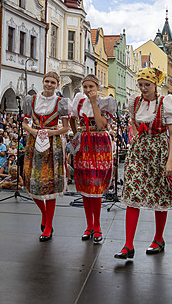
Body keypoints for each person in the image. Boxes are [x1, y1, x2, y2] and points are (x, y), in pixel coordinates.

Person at [114, 67, 172, 259]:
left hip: (158, 150)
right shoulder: (135, 101)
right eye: (141, 84)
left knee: (159, 194)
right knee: (132, 193)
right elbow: (133, 122)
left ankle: (158, 238)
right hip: (139, 150)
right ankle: (128, 245)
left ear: (155, 85)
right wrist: (135, 133)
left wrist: (170, 161)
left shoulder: (164, 102)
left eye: (147, 85)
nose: (143, 88)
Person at [22, 72, 70, 242]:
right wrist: (34, 131)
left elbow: (65, 128)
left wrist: (51, 132)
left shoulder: (61, 103)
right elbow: (24, 122)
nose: (49, 85)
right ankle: (44, 214)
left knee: (49, 184)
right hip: (34, 143)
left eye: (53, 82)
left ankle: (48, 225)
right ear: (42, 82)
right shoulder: (31, 100)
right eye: (47, 81)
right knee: (32, 181)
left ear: (57, 85)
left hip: (52, 144)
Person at [69, 74, 117, 243]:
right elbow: (72, 119)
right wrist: (76, 134)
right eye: (86, 87)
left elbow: (100, 124)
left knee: (95, 186)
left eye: (91, 87)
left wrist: (95, 102)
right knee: (85, 185)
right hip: (84, 143)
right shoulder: (79, 102)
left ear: (97, 88)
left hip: (99, 144)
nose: (88, 90)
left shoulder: (104, 103)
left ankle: (97, 225)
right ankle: (88, 225)